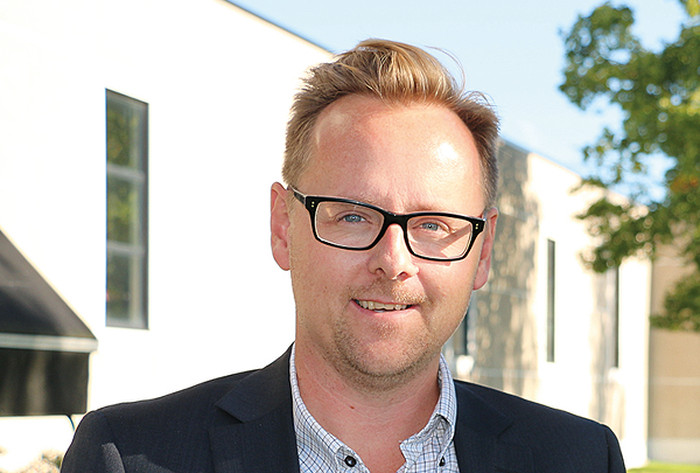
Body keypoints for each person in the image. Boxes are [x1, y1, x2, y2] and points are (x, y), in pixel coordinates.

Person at [62, 39, 626, 473]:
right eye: (353, 216)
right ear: (283, 227)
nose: (393, 261)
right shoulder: (128, 456)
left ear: (482, 252)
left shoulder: (579, 459)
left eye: (434, 225)